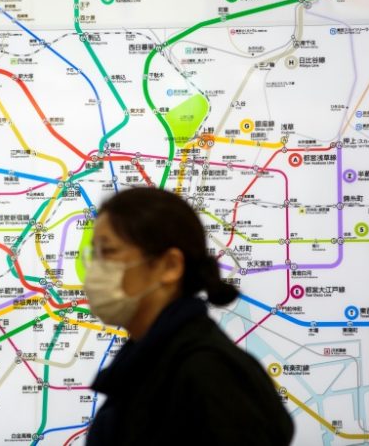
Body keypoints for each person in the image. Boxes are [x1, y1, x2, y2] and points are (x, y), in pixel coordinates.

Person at [82, 187, 294, 445]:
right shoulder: (145, 362)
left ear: (170, 266)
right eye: (95, 254)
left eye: (109, 252)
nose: (96, 269)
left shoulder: (209, 373)